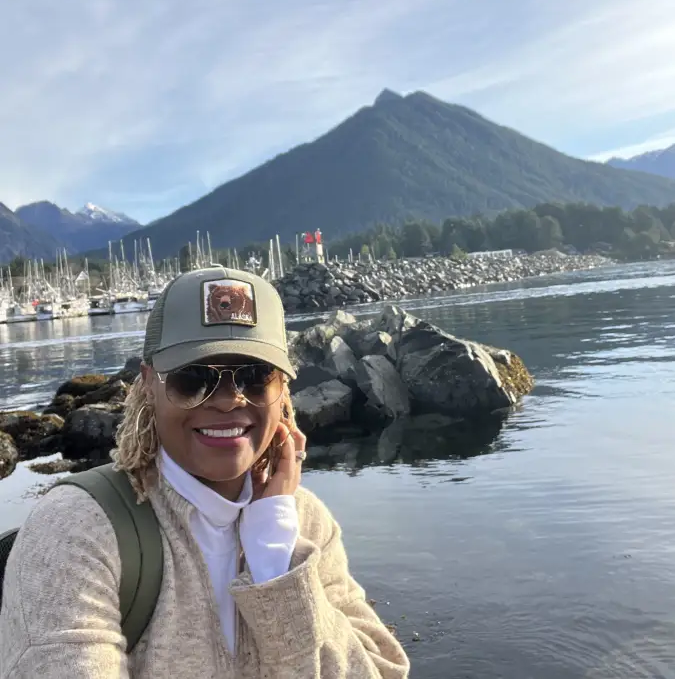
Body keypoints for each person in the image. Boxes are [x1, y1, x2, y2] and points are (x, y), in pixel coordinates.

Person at [0, 266, 409, 678]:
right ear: (148, 385)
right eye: (193, 379)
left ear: (283, 387)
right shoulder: (76, 529)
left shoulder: (305, 522)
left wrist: (276, 560)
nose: (229, 401)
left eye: (254, 377)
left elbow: (382, 669)